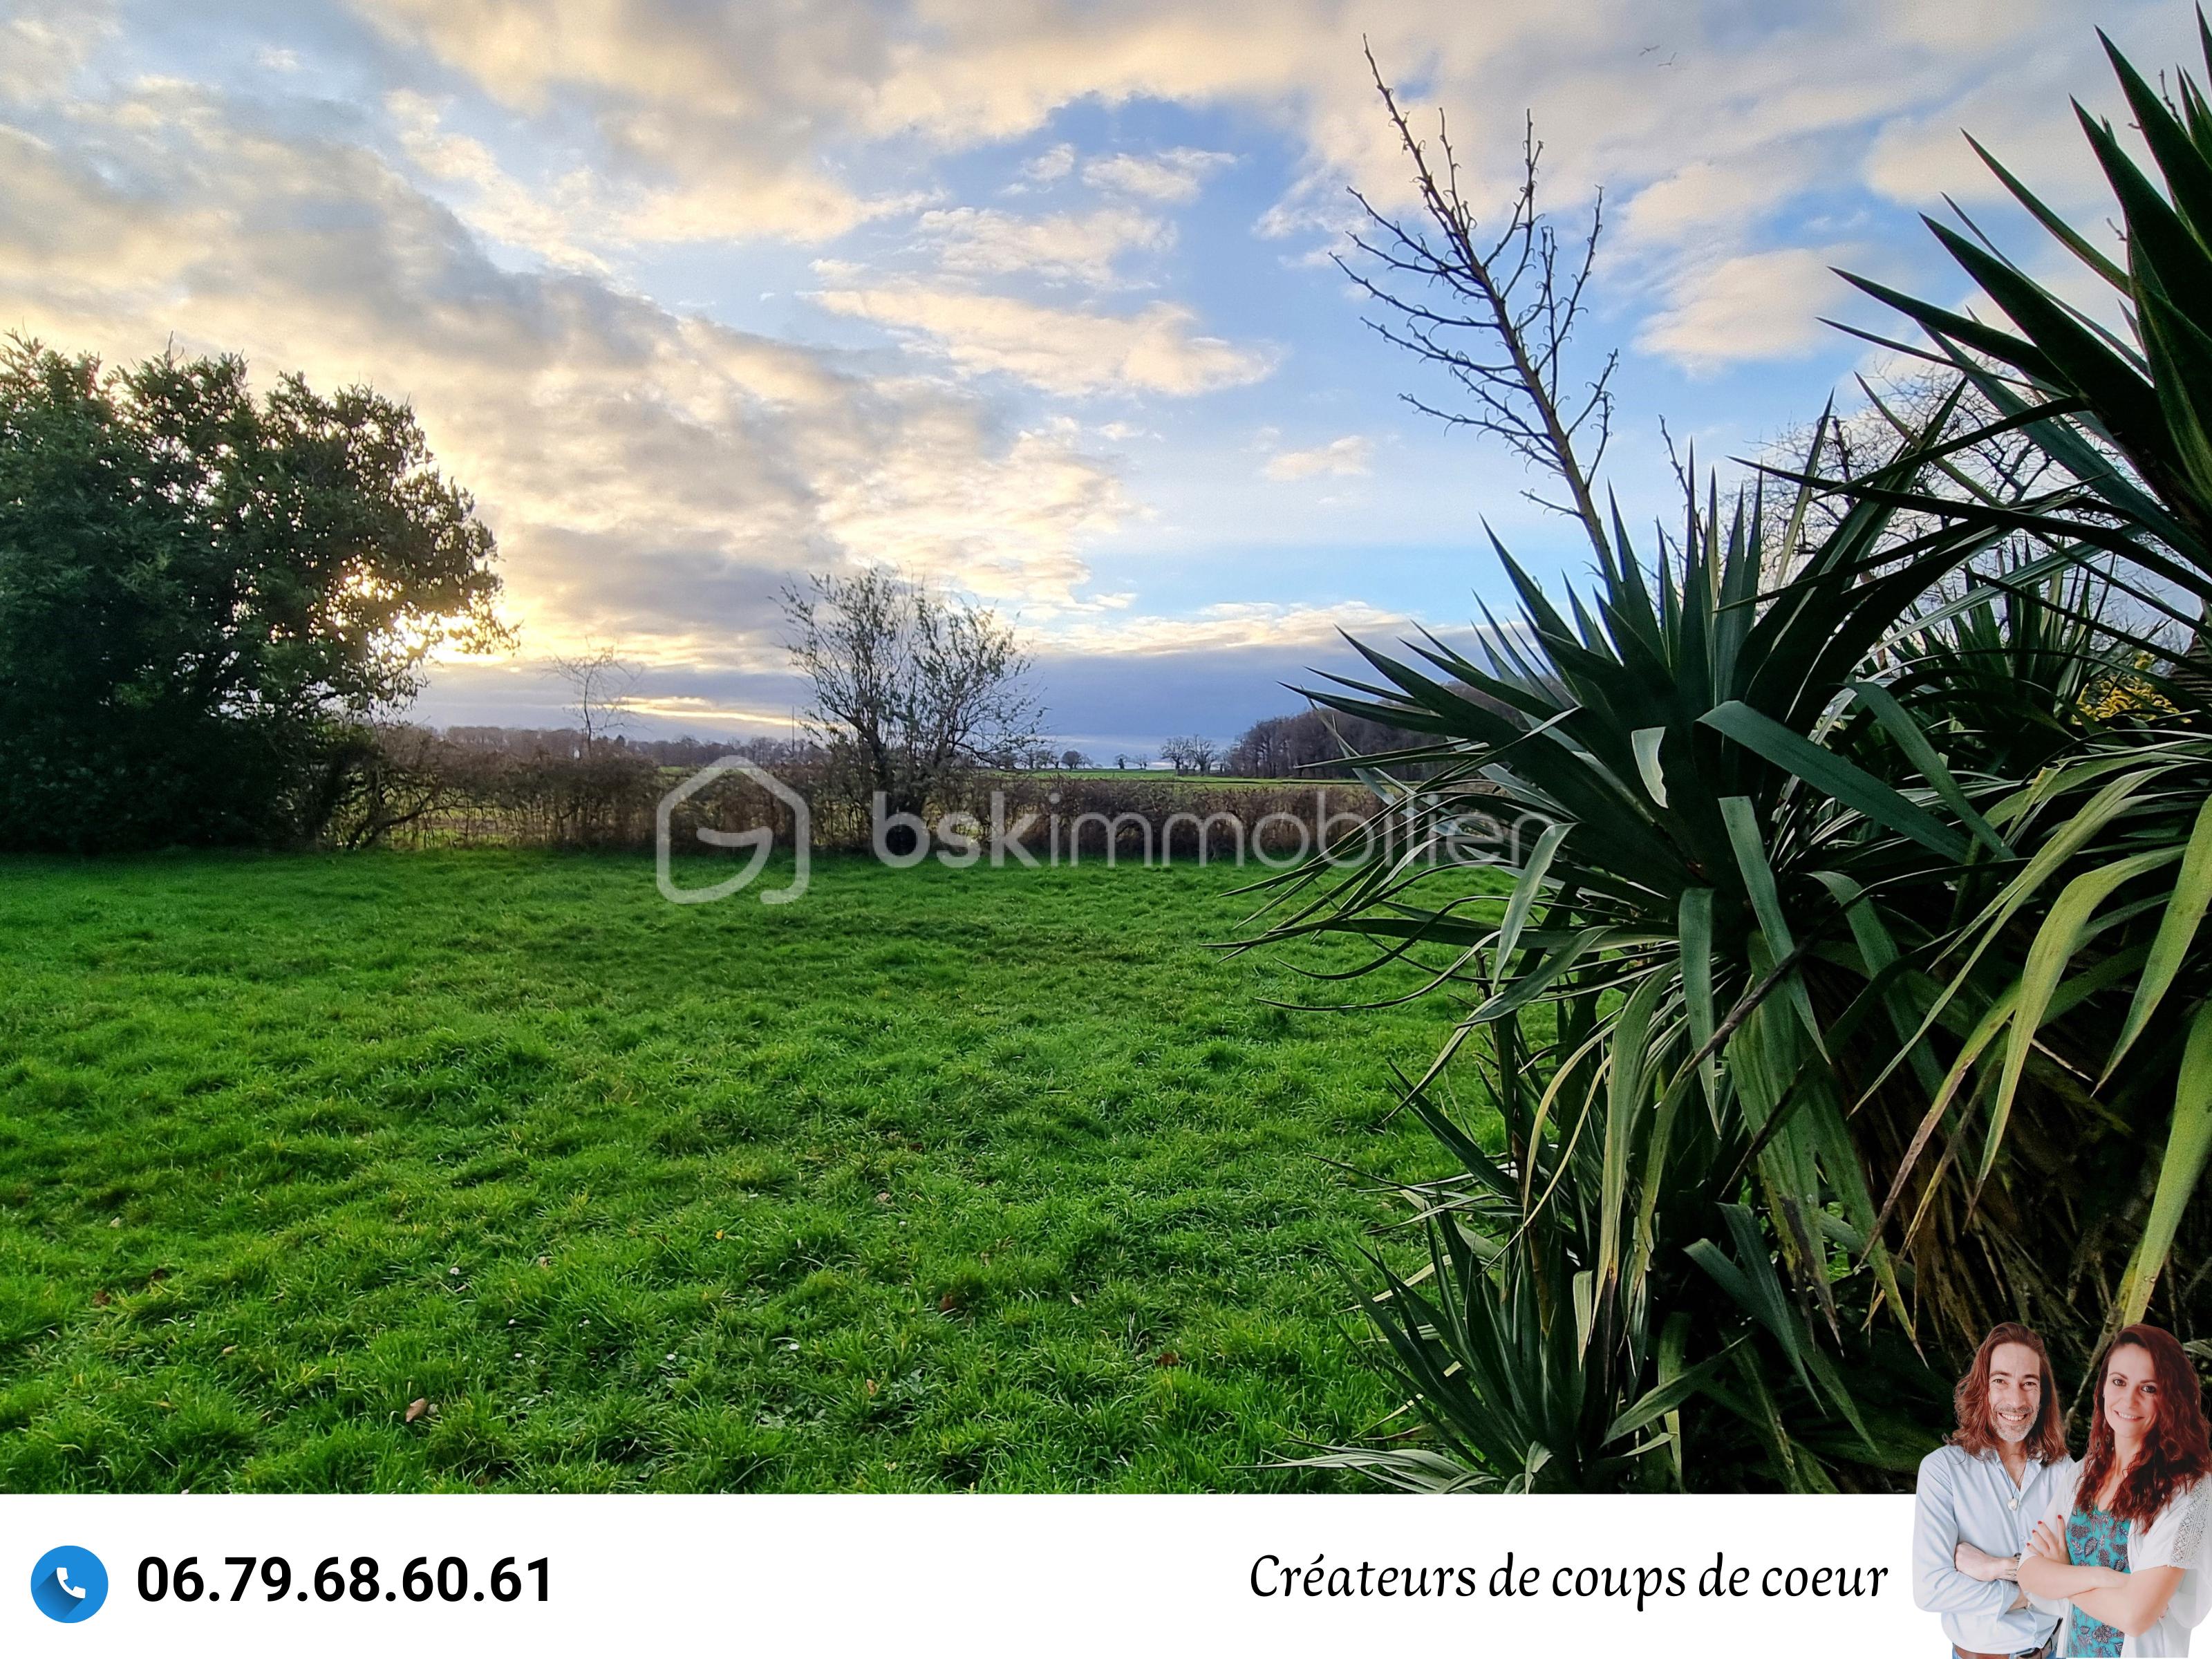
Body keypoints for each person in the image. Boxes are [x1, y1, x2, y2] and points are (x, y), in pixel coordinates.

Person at [2019, 1324, 2212, 1656]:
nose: (2129, 1400)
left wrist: (2064, 1575)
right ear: (2103, 1389)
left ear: (2172, 1398)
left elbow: (2135, 1617)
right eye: (2119, 1382)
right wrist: (2107, 1578)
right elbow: (2028, 1572)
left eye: (2148, 1388)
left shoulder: (2189, 1489)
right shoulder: (2083, 1473)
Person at [1915, 1322, 2079, 1658]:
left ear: (2043, 1394)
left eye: (2028, 1384)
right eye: (2000, 1381)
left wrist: (1995, 1568)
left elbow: (2083, 1575)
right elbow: (1931, 1588)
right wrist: (2032, 1588)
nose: (2016, 1400)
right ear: (1982, 1389)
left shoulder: (2064, 1470)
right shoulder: (1942, 1470)